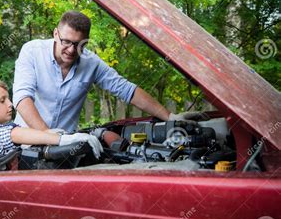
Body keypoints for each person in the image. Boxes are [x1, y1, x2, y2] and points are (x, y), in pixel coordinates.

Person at [13, 10, 200, 132]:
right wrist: (47, 135)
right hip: (26, 144)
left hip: (65, 147)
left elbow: (127, 90)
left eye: (79, 45)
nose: (71, 49)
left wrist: (169, 117)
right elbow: (22, 98)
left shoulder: (91, 63)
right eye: (66, 42)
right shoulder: (32, 51)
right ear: (55, 34)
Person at [0, 77, 103, 176]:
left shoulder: (3, 126)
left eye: (9, 98)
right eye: (2, 100)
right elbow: (15, 135)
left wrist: (51, 133)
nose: (10, 104)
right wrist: (62, 140)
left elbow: (25, 136)